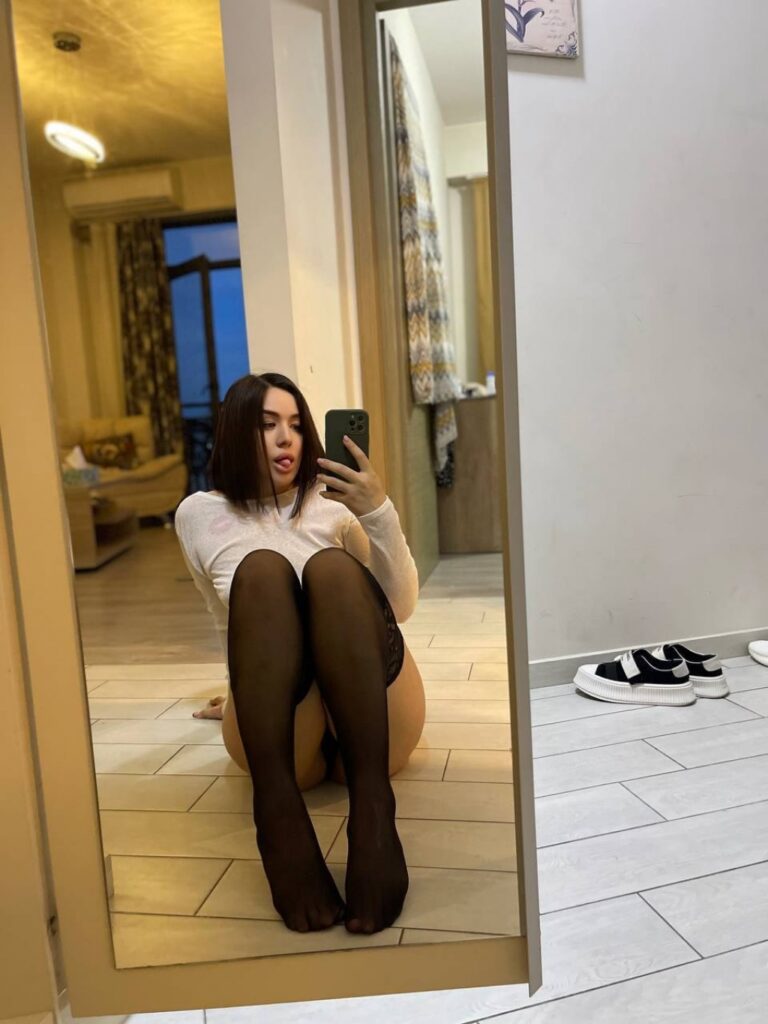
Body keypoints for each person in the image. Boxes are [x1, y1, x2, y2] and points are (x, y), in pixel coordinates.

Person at [174, 372, 426, 937]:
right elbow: (226, 621)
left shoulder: (333, 502)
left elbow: (400, 606)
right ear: (236, 432)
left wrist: (378, 511)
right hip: (289, 728)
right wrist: (240, 693)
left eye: (294, 424)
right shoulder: (198, 514)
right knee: (261, 574)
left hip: (374, 707)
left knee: (331, 570)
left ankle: (373, 813)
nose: (286, 438)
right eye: (267, 425)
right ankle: (277, 816)